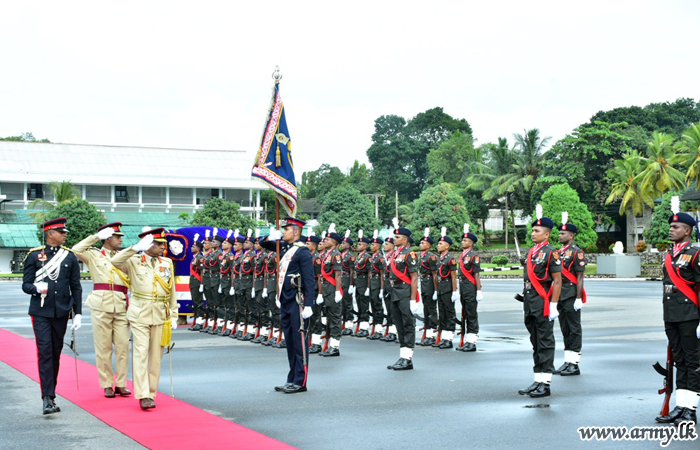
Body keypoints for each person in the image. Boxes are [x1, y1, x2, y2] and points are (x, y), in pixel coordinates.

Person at [111, 228, 178, 410]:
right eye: (158, 244)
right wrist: (135, 248)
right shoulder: (133, 261)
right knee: (141, 353)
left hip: (160, 313)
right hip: (140, 312)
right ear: (148, 245)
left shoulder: (167, 262)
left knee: (156, 356)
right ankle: (142, 395)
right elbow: (115, 261)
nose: (162, 247)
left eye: (163, 244)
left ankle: (151, 392)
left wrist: (173, 314)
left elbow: (171, 290)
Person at [22, 217, 82, 414]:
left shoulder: (70, 257)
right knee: (45, 351)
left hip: (61, 312)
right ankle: (47, 398)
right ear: (50, 234)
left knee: (55, 352)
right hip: (40, 311)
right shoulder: (34, 256)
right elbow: (26, 284)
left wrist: (78, 313)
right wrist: (36, 289)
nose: (65, 234)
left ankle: (51, 393)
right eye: (61, 232)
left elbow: (76, 287)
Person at [73, 222, 132, 398]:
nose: (121, 240)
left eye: (121, 237)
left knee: (123, 347)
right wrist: (96, 237)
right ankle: (106, 383)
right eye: (117, 237)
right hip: (101, 304)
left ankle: (121, 383)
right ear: (107, 238)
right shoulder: (94, 255)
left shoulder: (125, 256)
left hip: (121, 304)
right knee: (103, 347)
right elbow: (76, 249)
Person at [655, 203, 700, 425]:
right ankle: (680, 406)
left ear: (687, 231)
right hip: (671, 314)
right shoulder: (669, 255)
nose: (671, 229)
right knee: (679, 359)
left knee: (693, 361)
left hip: (690, 314)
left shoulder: (695, 253)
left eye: (676, 226)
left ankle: (690, 408)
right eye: (671, 226)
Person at [261, 218, 315, 393]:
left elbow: (309, 280)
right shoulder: (284, 248)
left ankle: (300, 381)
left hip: (298, 301)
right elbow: (263, 244)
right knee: (290, 342)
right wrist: (270, 237)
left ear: (296, 232)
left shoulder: (303, 252)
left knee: (300, 343)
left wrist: (309, 305)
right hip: (285, 300)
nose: (283, 232)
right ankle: (291, 378)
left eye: (286, 230)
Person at [517, 207, 562, 399]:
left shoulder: (551, 252)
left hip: (543, 303)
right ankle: (537, 379)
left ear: (547, 234)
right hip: (530, 302)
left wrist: (553, 305)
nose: (532, 233)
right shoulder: (532, 252)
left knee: (545, 342)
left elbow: (558, 280)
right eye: (533, 230)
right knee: (535, 342)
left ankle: (546, 383)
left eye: (537, 231)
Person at [554, 213, 586, 375]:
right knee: (564, 328)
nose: (560, 235)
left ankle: (575, 363)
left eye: (563, 233)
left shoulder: (576, 253)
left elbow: (580, 277)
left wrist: (579, 298)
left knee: (574, 328)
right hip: (559, 293)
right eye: (559, 233)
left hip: (571, 293)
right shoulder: (558, 252)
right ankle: (567, 360)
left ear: (571, 235)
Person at [386, 223, 419, 370]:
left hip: (405, 291)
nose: (394, 239)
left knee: (408, 324)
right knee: (398, 324)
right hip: (395, 291)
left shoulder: (409, 253)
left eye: (397, 237)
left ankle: (408, 358)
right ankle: (402, 356)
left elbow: (413, 277)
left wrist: (413, 299)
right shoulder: (395, 253)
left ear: (405, 239)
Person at [456, 225, 483, 352]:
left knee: (471, 313)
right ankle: (467, 339)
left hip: (470, 286)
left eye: (465, 240)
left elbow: (476, 275)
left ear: (471, 243)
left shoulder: (474, 255)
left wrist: (478, 291)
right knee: (465, 312)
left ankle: (472, 341)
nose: (462, 242)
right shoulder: (462, 255)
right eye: (462, 240)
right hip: (463, 286)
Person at [318, 225, 343, 356]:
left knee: (334, 318)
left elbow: (338, 274)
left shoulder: (336, 255)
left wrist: (338, 291)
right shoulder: (326, 255)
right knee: (328, 317)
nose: (325, 241)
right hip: (327, 289)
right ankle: (330, 344)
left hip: (333, 289)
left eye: (328, 240)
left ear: (334, 242)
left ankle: (335, 346)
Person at [435, 231, 457, 349]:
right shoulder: (440, 259)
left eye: (440, 244)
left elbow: (453, 276)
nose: (438, 245)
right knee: (442, 313)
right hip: (440, 289)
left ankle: (449, 338)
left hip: (448, 289)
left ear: (447, 246)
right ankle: (444, 337)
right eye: (438, 244)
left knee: (449, 313)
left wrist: (454, 291)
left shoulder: (450, 259)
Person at [418, 229, 438, 346]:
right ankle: (427, 332)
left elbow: (435, 274)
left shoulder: (431, 257)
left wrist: (435, 290)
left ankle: (432, 335)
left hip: (430, 283)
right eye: (420, 243)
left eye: (423, 243)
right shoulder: (422, 256)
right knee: (426, 309)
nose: (421, 244)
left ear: (429, 245)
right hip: (424, 284)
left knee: (431, 309)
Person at [305, 232, 324, 352]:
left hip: (315, 291)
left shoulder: (316, 259)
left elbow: (320, 277)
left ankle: (317, 343)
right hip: (308, 290)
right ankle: (310, 341)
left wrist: (320, 294)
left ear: (314, 246)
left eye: (307, 243)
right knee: (309, 318)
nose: (305, 245)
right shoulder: (307, 257)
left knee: (316, 317)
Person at [354, 231, 372, 337]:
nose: (358, 246)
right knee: (359, 304)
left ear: (365, 246)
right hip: (359, 281)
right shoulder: (360, 256)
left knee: (364, 305)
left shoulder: (367, 257)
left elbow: (370, 272)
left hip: (364, 281)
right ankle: (360, 325)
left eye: (360, 244)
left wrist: (368, 287)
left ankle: (364, 327)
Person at [368, 232, 385, 340]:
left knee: (378, 306)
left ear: (378, 246)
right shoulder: (373, 257)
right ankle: (375, 326)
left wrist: (382, 289)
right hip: (372, 283)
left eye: (373, 245)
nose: (371, 246)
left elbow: (382, 274)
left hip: (378, 283)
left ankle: (379, 329)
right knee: (373, 305)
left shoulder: (380, 257)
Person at [218, 232, 235, 336]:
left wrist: (232, 286)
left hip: (228, 282)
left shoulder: (230, 256)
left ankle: (230, 326)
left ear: (230, 246)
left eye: (225, 243)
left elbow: (233, 272)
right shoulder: (223, 256)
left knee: (230, 305)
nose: (222, 244)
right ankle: (225, 325)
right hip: (222, 282)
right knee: (224, 304)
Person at [381, 237, 398, 342]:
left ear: (392, 246)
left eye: (387, 244)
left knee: (394, 310)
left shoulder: (395, 256)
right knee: (389, 309)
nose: (384, 245)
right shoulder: (385, 256)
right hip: (387, 284)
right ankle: (391, 330)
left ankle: (394, 332)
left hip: (393, 285)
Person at [339, 232, 356, 335]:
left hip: (346, 278)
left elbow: (352, 271)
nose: (342, 244)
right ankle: (343, 323)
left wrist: (351, 284)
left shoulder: (350, 256)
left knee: (347, 302)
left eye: (344, 243)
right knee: (341, 303)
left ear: (349, 245)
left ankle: (349, 325)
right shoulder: (340, 255)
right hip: (340, 279)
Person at [188, 234, 205, 331]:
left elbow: (201, 271)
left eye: (193, 246)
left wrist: (201, 284)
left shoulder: (200, 258)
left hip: (198, 282)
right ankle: (197, 320)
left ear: (198, 248)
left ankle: (200, 321)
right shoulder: (194, 258)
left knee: (198, 301)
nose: (191, 248)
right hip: (193, 282)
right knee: (195, 301)